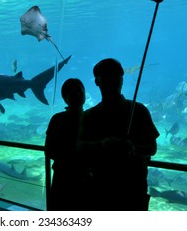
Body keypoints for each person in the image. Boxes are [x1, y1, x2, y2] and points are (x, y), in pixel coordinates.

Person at [77, 58, 159, 211]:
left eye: (115, 76)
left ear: (122, 80)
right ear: (97, 81)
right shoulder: (89, 116)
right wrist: (103, 144)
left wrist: (133, 149)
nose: (112, 80)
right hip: (100, 187)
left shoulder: (139, 111)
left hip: (133, 188)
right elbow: (80, 147)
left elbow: (152, 148)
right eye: (106, 76)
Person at [45, 78, 85, 210]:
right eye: (71, 92)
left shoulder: (58, 119)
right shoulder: (90, 118)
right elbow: (49, 150)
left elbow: (49, 150)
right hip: (69, 177)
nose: (76, 95)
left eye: (78, 91)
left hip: (65, 175)